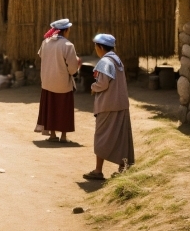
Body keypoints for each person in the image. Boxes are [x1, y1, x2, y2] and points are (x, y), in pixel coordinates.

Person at [83, 33, 135, 181]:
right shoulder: (117, 60)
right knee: (121, 137)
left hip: (108, 105)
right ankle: (123, 167)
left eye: (96, 46)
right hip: (121, 104)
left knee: (102, 137)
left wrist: (93, 86)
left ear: (100, 47)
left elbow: (103, 83)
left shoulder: (105, 62)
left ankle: (98, 170)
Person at [35, 18, 81, 143]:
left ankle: (53, 134)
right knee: (63, 108)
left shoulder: (46, 42)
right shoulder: (67, 45)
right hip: (62, 82)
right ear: (65, 30)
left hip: (47, 81)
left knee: (51, 108)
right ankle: (64, 136)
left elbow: (41, 56)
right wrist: (75, 70)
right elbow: (72, 67)